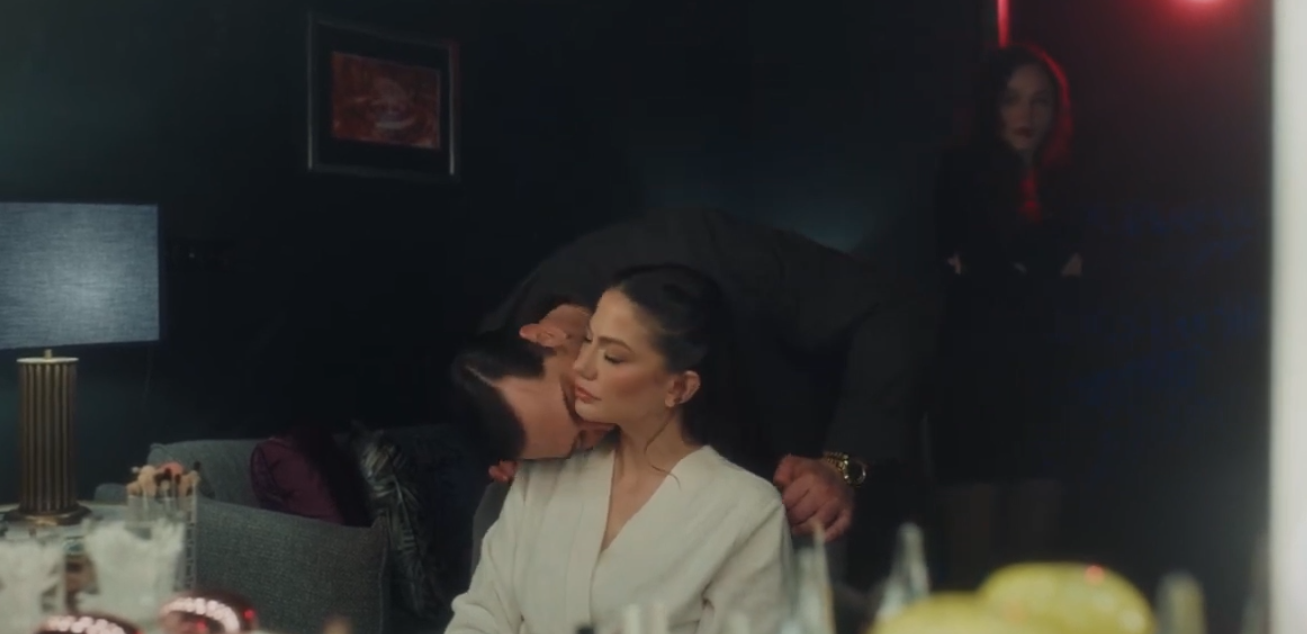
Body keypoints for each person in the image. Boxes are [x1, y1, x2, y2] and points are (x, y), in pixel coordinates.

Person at [458, 208, 940, 589]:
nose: (597, 422)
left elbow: (889, 313)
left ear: (544, 336)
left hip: (815, 475)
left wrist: (843, 462)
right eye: (578, 443)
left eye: (575, 398)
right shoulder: (497, 379)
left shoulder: (705, 251)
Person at [447, 266, 792, 634]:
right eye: (588, 339)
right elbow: (480, 618)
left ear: (678, 388)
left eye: (612, 356)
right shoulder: (542, 476)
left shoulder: (747, 511)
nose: (583, 365)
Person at [930, 43, 1082, 588]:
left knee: (1033, 570)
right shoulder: (960, 174)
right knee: (973, 572)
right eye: (1012, 99)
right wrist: (1039, 268)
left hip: (1045, 390)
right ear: (990, 105)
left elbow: (1087, 275)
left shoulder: (1067, 185)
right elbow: (976, 267)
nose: (1026, 114)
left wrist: (1020, 268)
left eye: (1040, 101)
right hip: (973, 386)